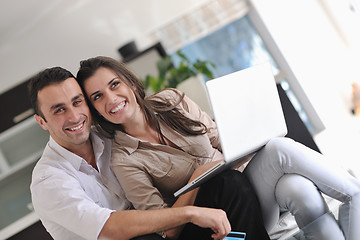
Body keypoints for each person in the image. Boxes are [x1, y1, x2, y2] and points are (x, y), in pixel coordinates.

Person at [77, 56, 360, 240]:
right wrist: (196, 179)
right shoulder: (124, 161)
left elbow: (219, 139)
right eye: (98, 97)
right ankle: (354, 194)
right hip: (229, 211)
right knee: (279, 150)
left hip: (249, 179)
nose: (111, 99)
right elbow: (165, 227)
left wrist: (250, 132)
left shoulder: (171, 100)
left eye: (115, 84)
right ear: (95, 111)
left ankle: (354, 197)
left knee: (297, 187)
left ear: (129, 81)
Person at [29, 66, 270, 240]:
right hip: (136, 238)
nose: (74, 116)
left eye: (77, 102)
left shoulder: (110, 136)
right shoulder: (48, 180)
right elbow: (108, 228)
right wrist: (191, 212)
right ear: (42, 122)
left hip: (162, 230)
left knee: (229, 184)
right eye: (59, 110)